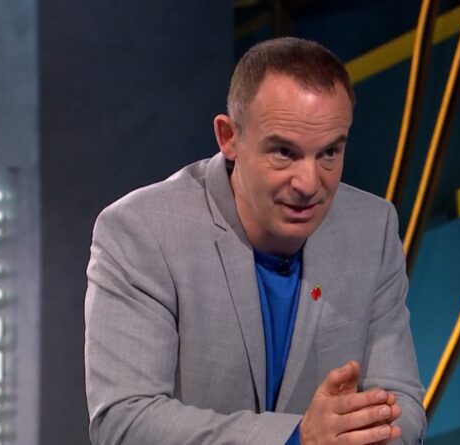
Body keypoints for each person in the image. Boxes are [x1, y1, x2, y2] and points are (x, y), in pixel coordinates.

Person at [84, 37, 426, 444]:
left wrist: (363, 434)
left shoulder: (372, 228)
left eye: (329, 153)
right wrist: (297, 437)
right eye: (284, 152)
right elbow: (124, 420)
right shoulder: (143, 232)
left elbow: (403, 405)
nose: (309, 183)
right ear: (229, 137)